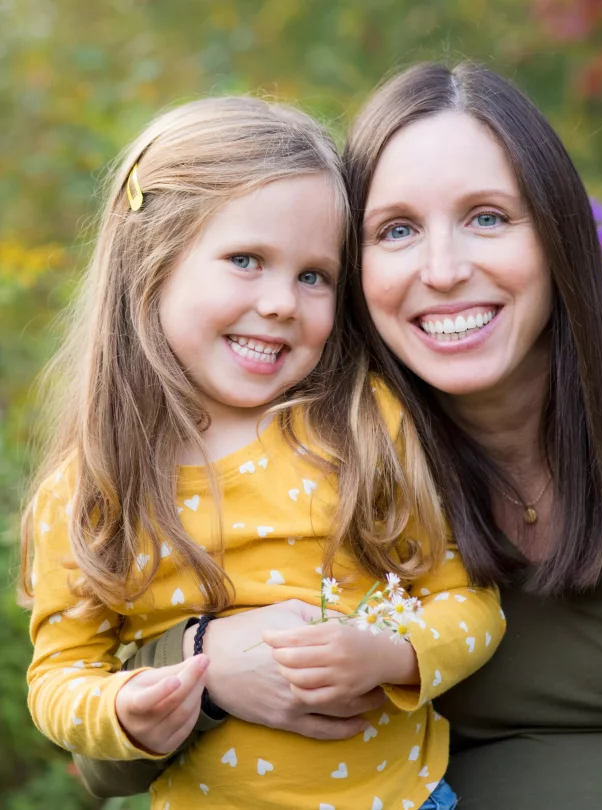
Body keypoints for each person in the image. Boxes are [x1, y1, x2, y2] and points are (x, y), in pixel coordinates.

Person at [75, 63, 602, 809]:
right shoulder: (327, 451)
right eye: (396, 230)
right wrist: (207, 663)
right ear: (353, 268)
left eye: (488, 217)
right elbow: (105, 770)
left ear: (556, 232)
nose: (445, 269)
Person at [22, 94, 507, 810]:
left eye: (314, 275)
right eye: (247, 260)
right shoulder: (96, 485)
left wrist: (394, 656)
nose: (282, 302)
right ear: (149, 265)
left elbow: (469, 602)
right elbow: (61, 677)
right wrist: (127, 710)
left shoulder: (362, 426)